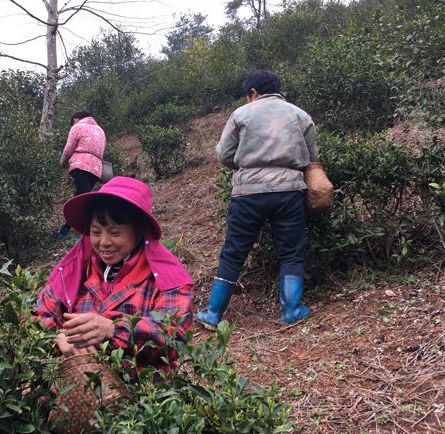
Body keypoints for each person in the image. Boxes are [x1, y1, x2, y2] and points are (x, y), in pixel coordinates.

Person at [197, 70, 318, 329]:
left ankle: (213, 314)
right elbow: (311, 156)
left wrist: (248, 167)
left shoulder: (241, 114)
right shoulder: (300, 114)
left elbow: (224, 154)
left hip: (248, 193)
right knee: (291, 253)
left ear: (252, 93)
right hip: (289, 191)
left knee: (233, 253)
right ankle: (292, 311)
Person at [35, 177, 194, 373]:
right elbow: (37, 316)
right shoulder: (76, 272)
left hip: (141, 395)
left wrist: (113, 329)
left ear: (138, 231)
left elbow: (174, 338)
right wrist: (56, 337)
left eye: (115, 233)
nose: (103, 242)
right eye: (96, 232)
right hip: (76, 393)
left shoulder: (166, 279)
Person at [58, 110, 106, 239]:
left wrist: (63, 163)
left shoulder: (77, 127)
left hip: (81, 165)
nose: (72, 123)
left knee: (83, 198)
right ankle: (67, 227)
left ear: (76, 118)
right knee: (81, 195)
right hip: (96, 169)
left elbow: (68, 149)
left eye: (72, 121)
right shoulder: (100, 130)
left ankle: (84, 233)